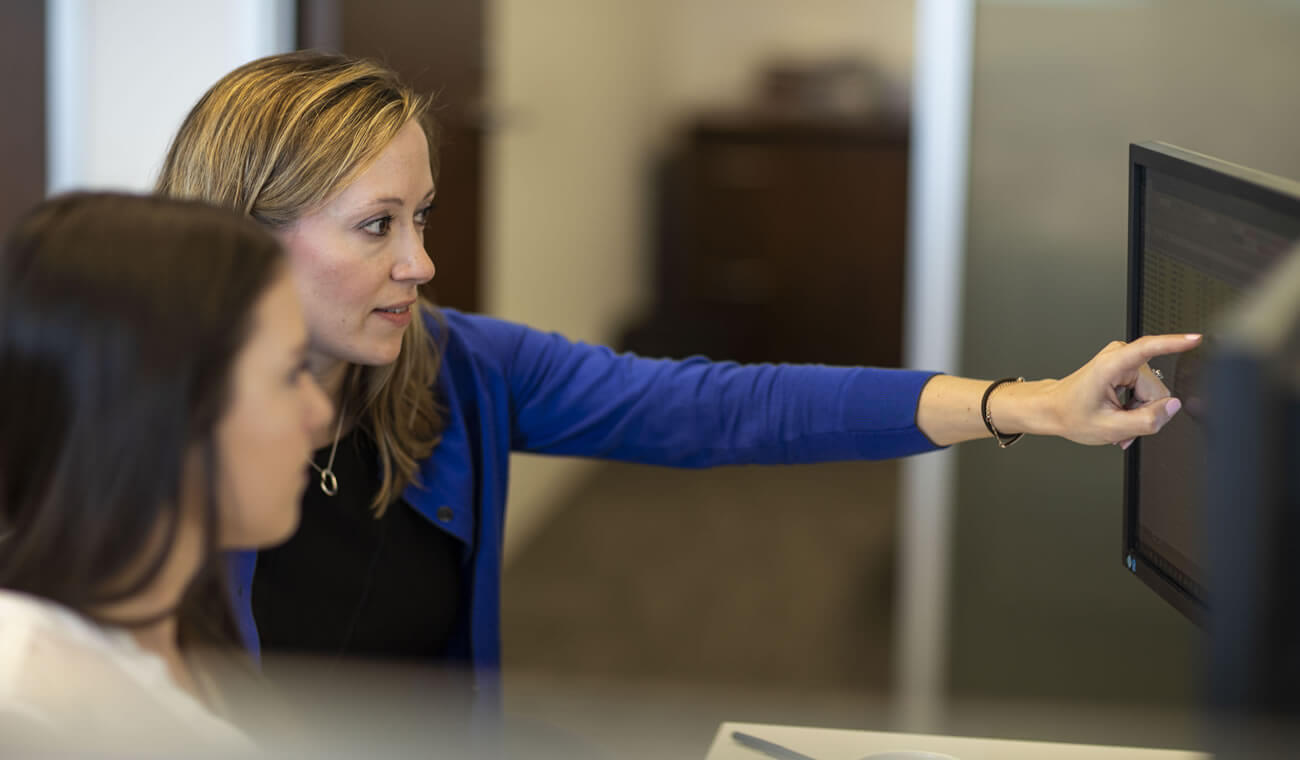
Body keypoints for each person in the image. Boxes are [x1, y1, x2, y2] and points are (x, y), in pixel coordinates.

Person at [154, 51, 1198, 717]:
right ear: (244, 237)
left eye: (420, 217)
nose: (420, 262)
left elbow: (722, 407)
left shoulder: (454, 368)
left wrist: (1030, 404)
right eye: (377, 225)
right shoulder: (133, 442)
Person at [0, 193, 332, 754]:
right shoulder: (42, 708)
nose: (320, 414)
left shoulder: (179, 628)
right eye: (291, 372)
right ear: (164, 407)